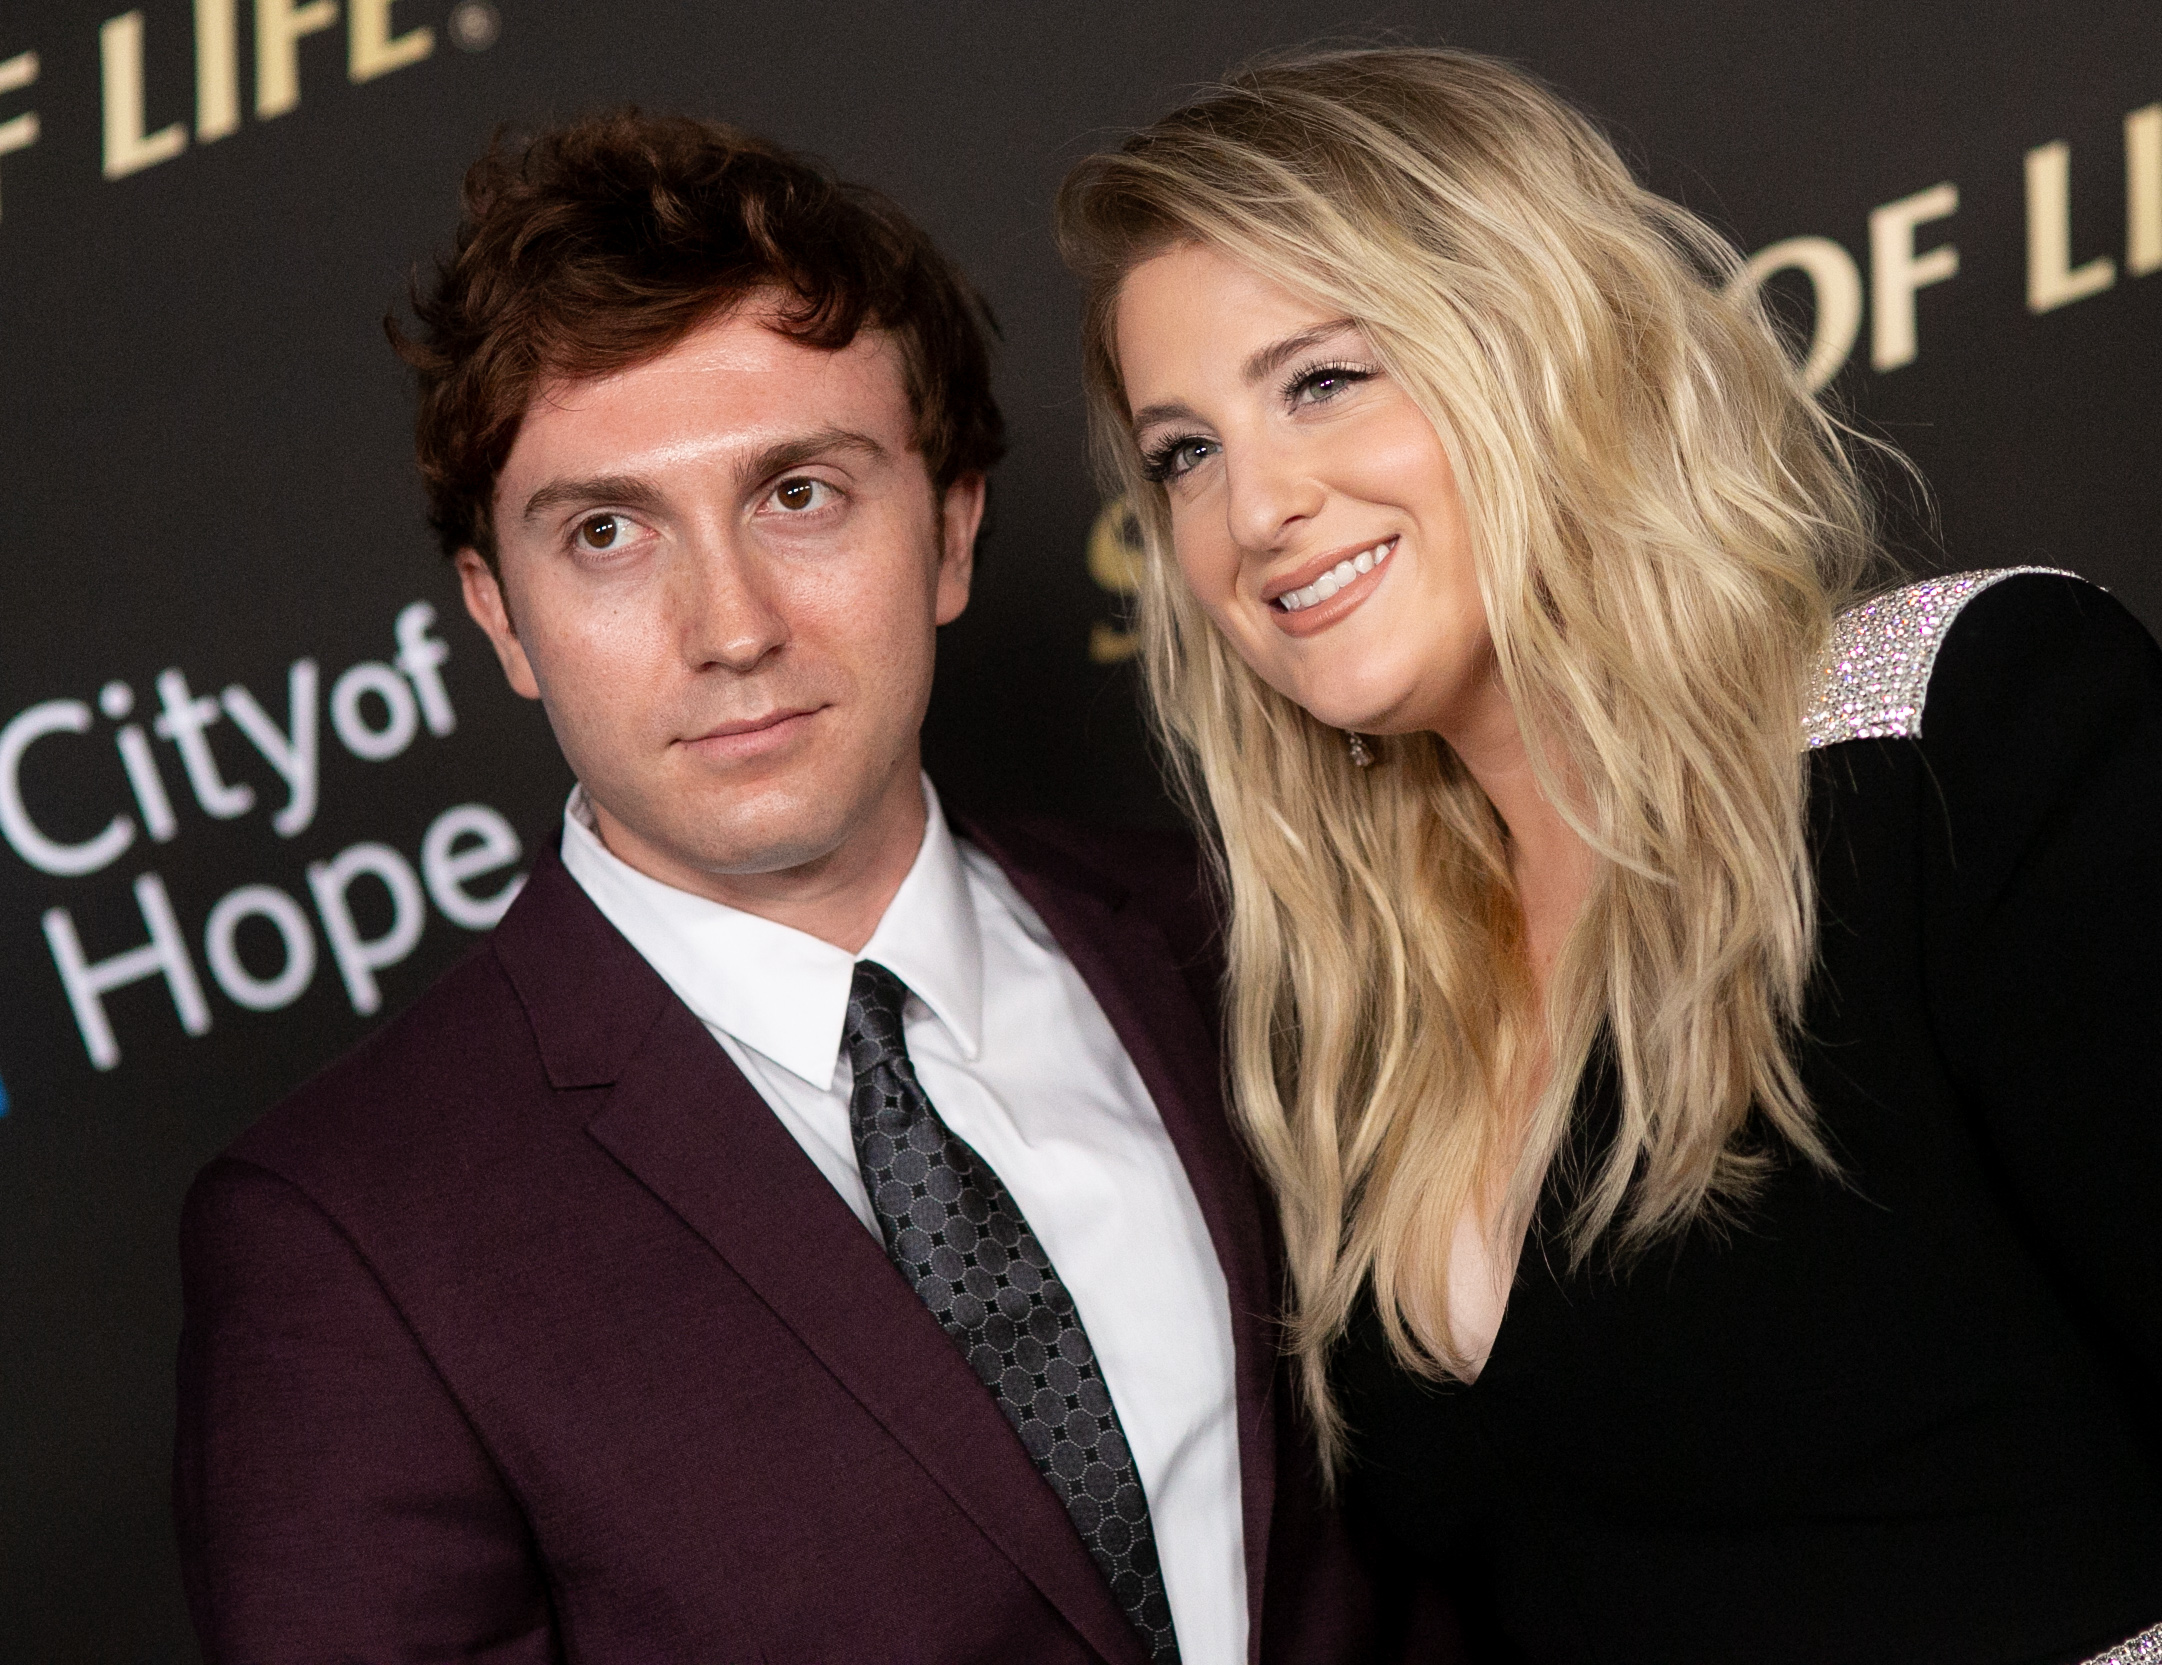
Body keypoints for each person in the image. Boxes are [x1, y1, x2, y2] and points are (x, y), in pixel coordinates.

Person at [1053, 46, 2162, 1665]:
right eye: (1184, 451)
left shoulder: (1967, 739)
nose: (1254, 508)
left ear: (1536, 344)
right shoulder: (1350, 1013)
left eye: (1321, 380)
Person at [172, 110, 1381, 1665]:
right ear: (503, 619)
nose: (729, 624)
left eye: (798, 493)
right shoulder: (341, 1237)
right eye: (606, 532)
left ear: (949, 531)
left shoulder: (1242, 940)